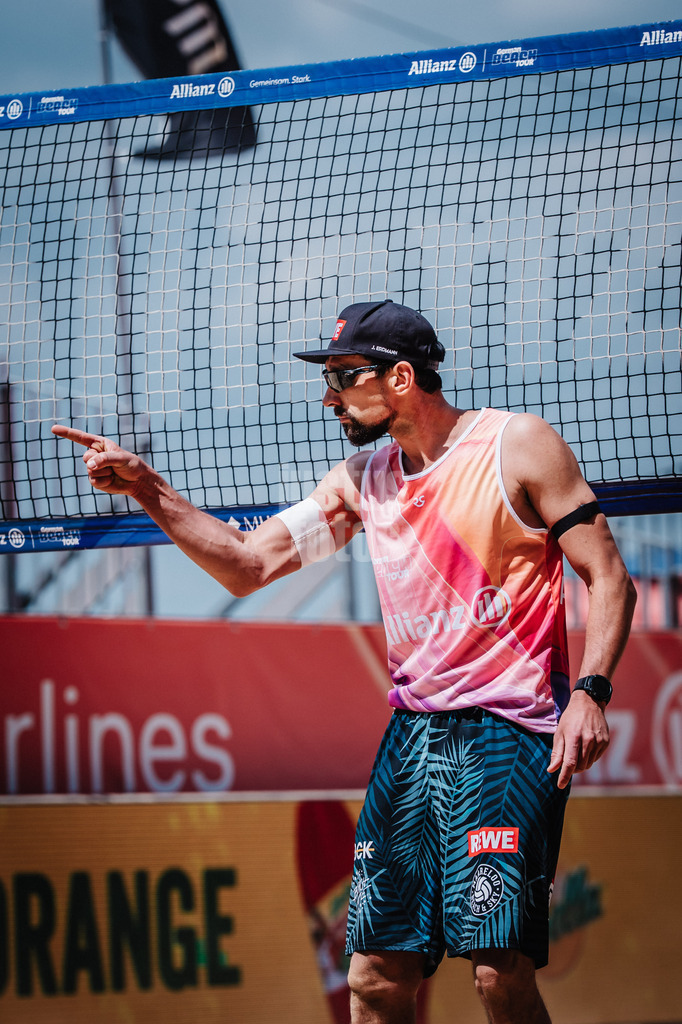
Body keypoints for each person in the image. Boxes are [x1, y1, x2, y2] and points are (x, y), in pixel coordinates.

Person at [53, 298, 636, 1024]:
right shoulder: (362, 480)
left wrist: (591, 691)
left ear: (399, 378)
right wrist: (148, 489)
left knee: (497, 973)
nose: (328, 398)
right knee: (373, 982)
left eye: (342, 377)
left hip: (509, 732)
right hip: (413, 739)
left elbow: (608, 575)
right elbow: (244, 565)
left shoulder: (515, 446)